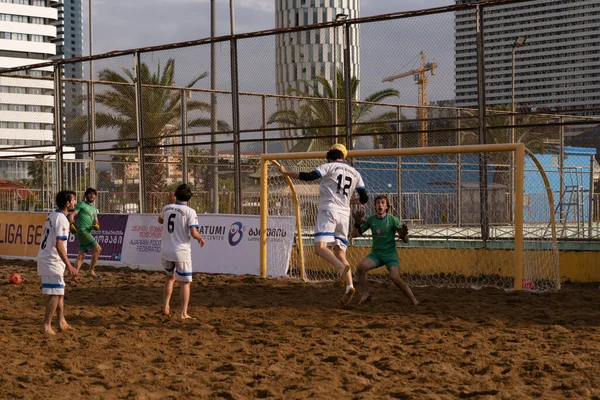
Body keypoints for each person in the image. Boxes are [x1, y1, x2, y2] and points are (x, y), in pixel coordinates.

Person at [277, 144, 369, 306]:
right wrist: (349, 201)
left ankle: (340, 268)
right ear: (344, 157)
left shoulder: (329, 166)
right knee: (340, 252)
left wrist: (286, 172)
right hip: (344, 214)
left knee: (320, 248)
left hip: (329, 210)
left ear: (329, 157)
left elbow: (308, 176)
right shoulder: (356, 173)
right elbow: (364, 199)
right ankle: (349, 286)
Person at [351, 194, 419, 306]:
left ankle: (414, 300)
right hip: (376, 254)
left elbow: (406, 240)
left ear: (387, 206)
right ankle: (366, 294)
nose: (380, 205)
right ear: (375, 206)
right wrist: (356, 224)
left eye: (383, 203)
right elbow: (353, 235)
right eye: (378, 203)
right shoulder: (371, 220)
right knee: (360, 268)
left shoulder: (393, 220)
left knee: (394, 277)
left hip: (390, 254)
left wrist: (403, 236)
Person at [158, 184, 205, 319]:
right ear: (189, 197)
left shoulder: (167, 208)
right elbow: (193, 232)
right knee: (185, 282)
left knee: (170, 278)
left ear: (175, 195)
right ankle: (183, 313)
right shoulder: (190, 212)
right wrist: (200, 238)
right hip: (181, 250)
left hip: (166, 250)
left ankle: (166, 305)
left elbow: (160, 220)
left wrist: (170, 204)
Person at [37, 190, 79, 334]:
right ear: (67, 203)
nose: (75, 202)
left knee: (59, 292)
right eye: (73, 200)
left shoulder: (53, 215)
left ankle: (62, 321)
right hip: (51, 260)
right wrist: (69, 265)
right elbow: (59, 245)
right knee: (55, 293)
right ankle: (46, 325)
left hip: (51, 258)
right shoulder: (61, 219)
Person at [68, 188, 102, 277]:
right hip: (82, 231)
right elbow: (71, 215)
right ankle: (91, 270)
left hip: (87, 232)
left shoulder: (94, 209)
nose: (92, 195)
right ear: (86, 195)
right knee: (98, 249)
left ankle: (73, 275)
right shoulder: (81, 204)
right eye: (90, 194)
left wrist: (97, 226)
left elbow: (96, 223)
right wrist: (72, 224)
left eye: (94, 194)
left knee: (82, 255)